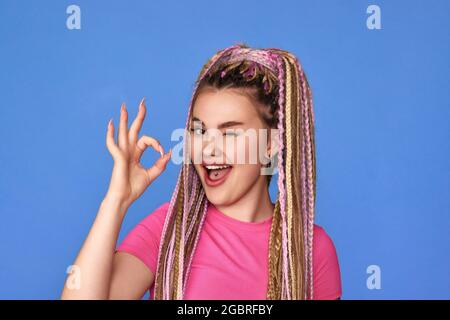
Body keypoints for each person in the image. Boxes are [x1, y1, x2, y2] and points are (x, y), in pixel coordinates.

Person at [61, 43, 342, 300]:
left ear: (271, 144)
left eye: (230, 133)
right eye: (199, 130)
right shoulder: (172, 227)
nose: (208, 148)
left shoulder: (311, 250)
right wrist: (116, 201)